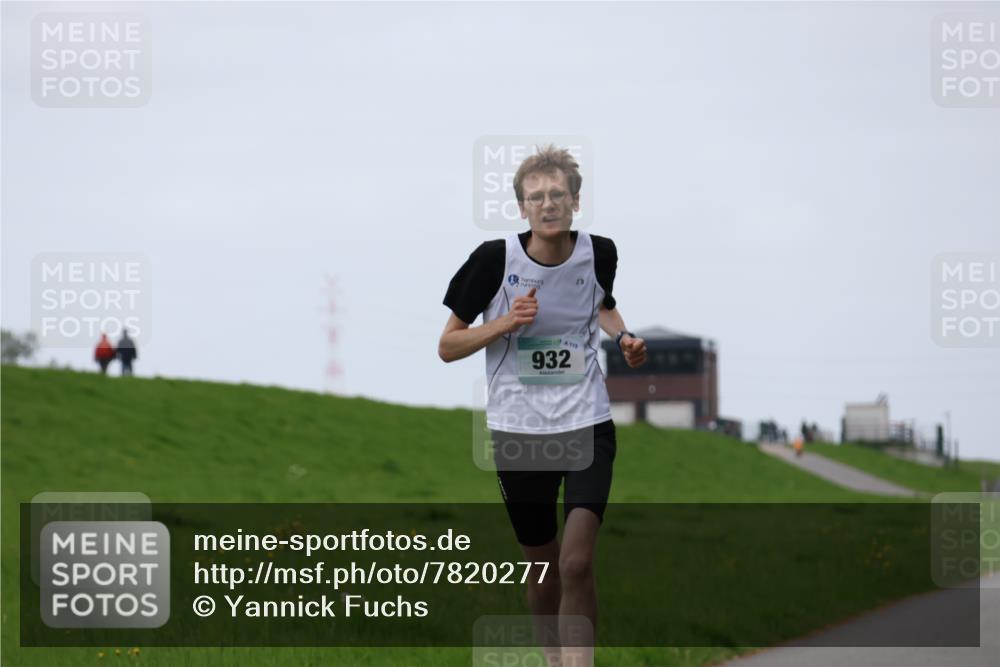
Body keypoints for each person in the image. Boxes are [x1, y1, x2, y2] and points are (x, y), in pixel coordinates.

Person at [439, 145, 647, 666]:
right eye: (536, 197)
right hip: (519, 433)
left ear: (576, 201)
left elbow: (601, 303)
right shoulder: (493, 260)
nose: (548, 204)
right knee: (544, 569)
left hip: (586, 424)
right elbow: (448, 346)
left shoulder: (600, 252)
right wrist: (506, 322)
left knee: (577, 563)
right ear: (522, 208)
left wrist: (624, 338)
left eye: (557, 195)